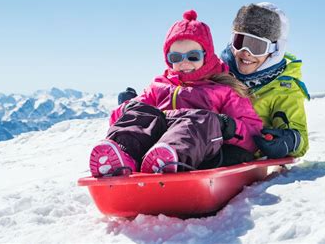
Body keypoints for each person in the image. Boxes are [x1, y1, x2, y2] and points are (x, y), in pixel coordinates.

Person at [89, 10, 263, 177]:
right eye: (176, 58)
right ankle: (121, 156)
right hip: (152, 147)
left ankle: (168, 159)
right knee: (141, 111)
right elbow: (125, 120)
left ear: (207, 55)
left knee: (203, 120)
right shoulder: (159, 86)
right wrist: (128, 107)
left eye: (193, 56)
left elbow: (253, 135)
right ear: (168, 59)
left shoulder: (223, 90)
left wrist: (228, 127)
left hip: (200, 153)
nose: (184, 62)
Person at [220, 2, 309, 159]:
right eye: (240, 42)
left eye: (256, 46)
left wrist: (289, 140)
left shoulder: (283, 89)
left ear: (275, 51)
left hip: (243, 154)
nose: (246, 52)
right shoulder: (217, 74)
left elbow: (299, 135)